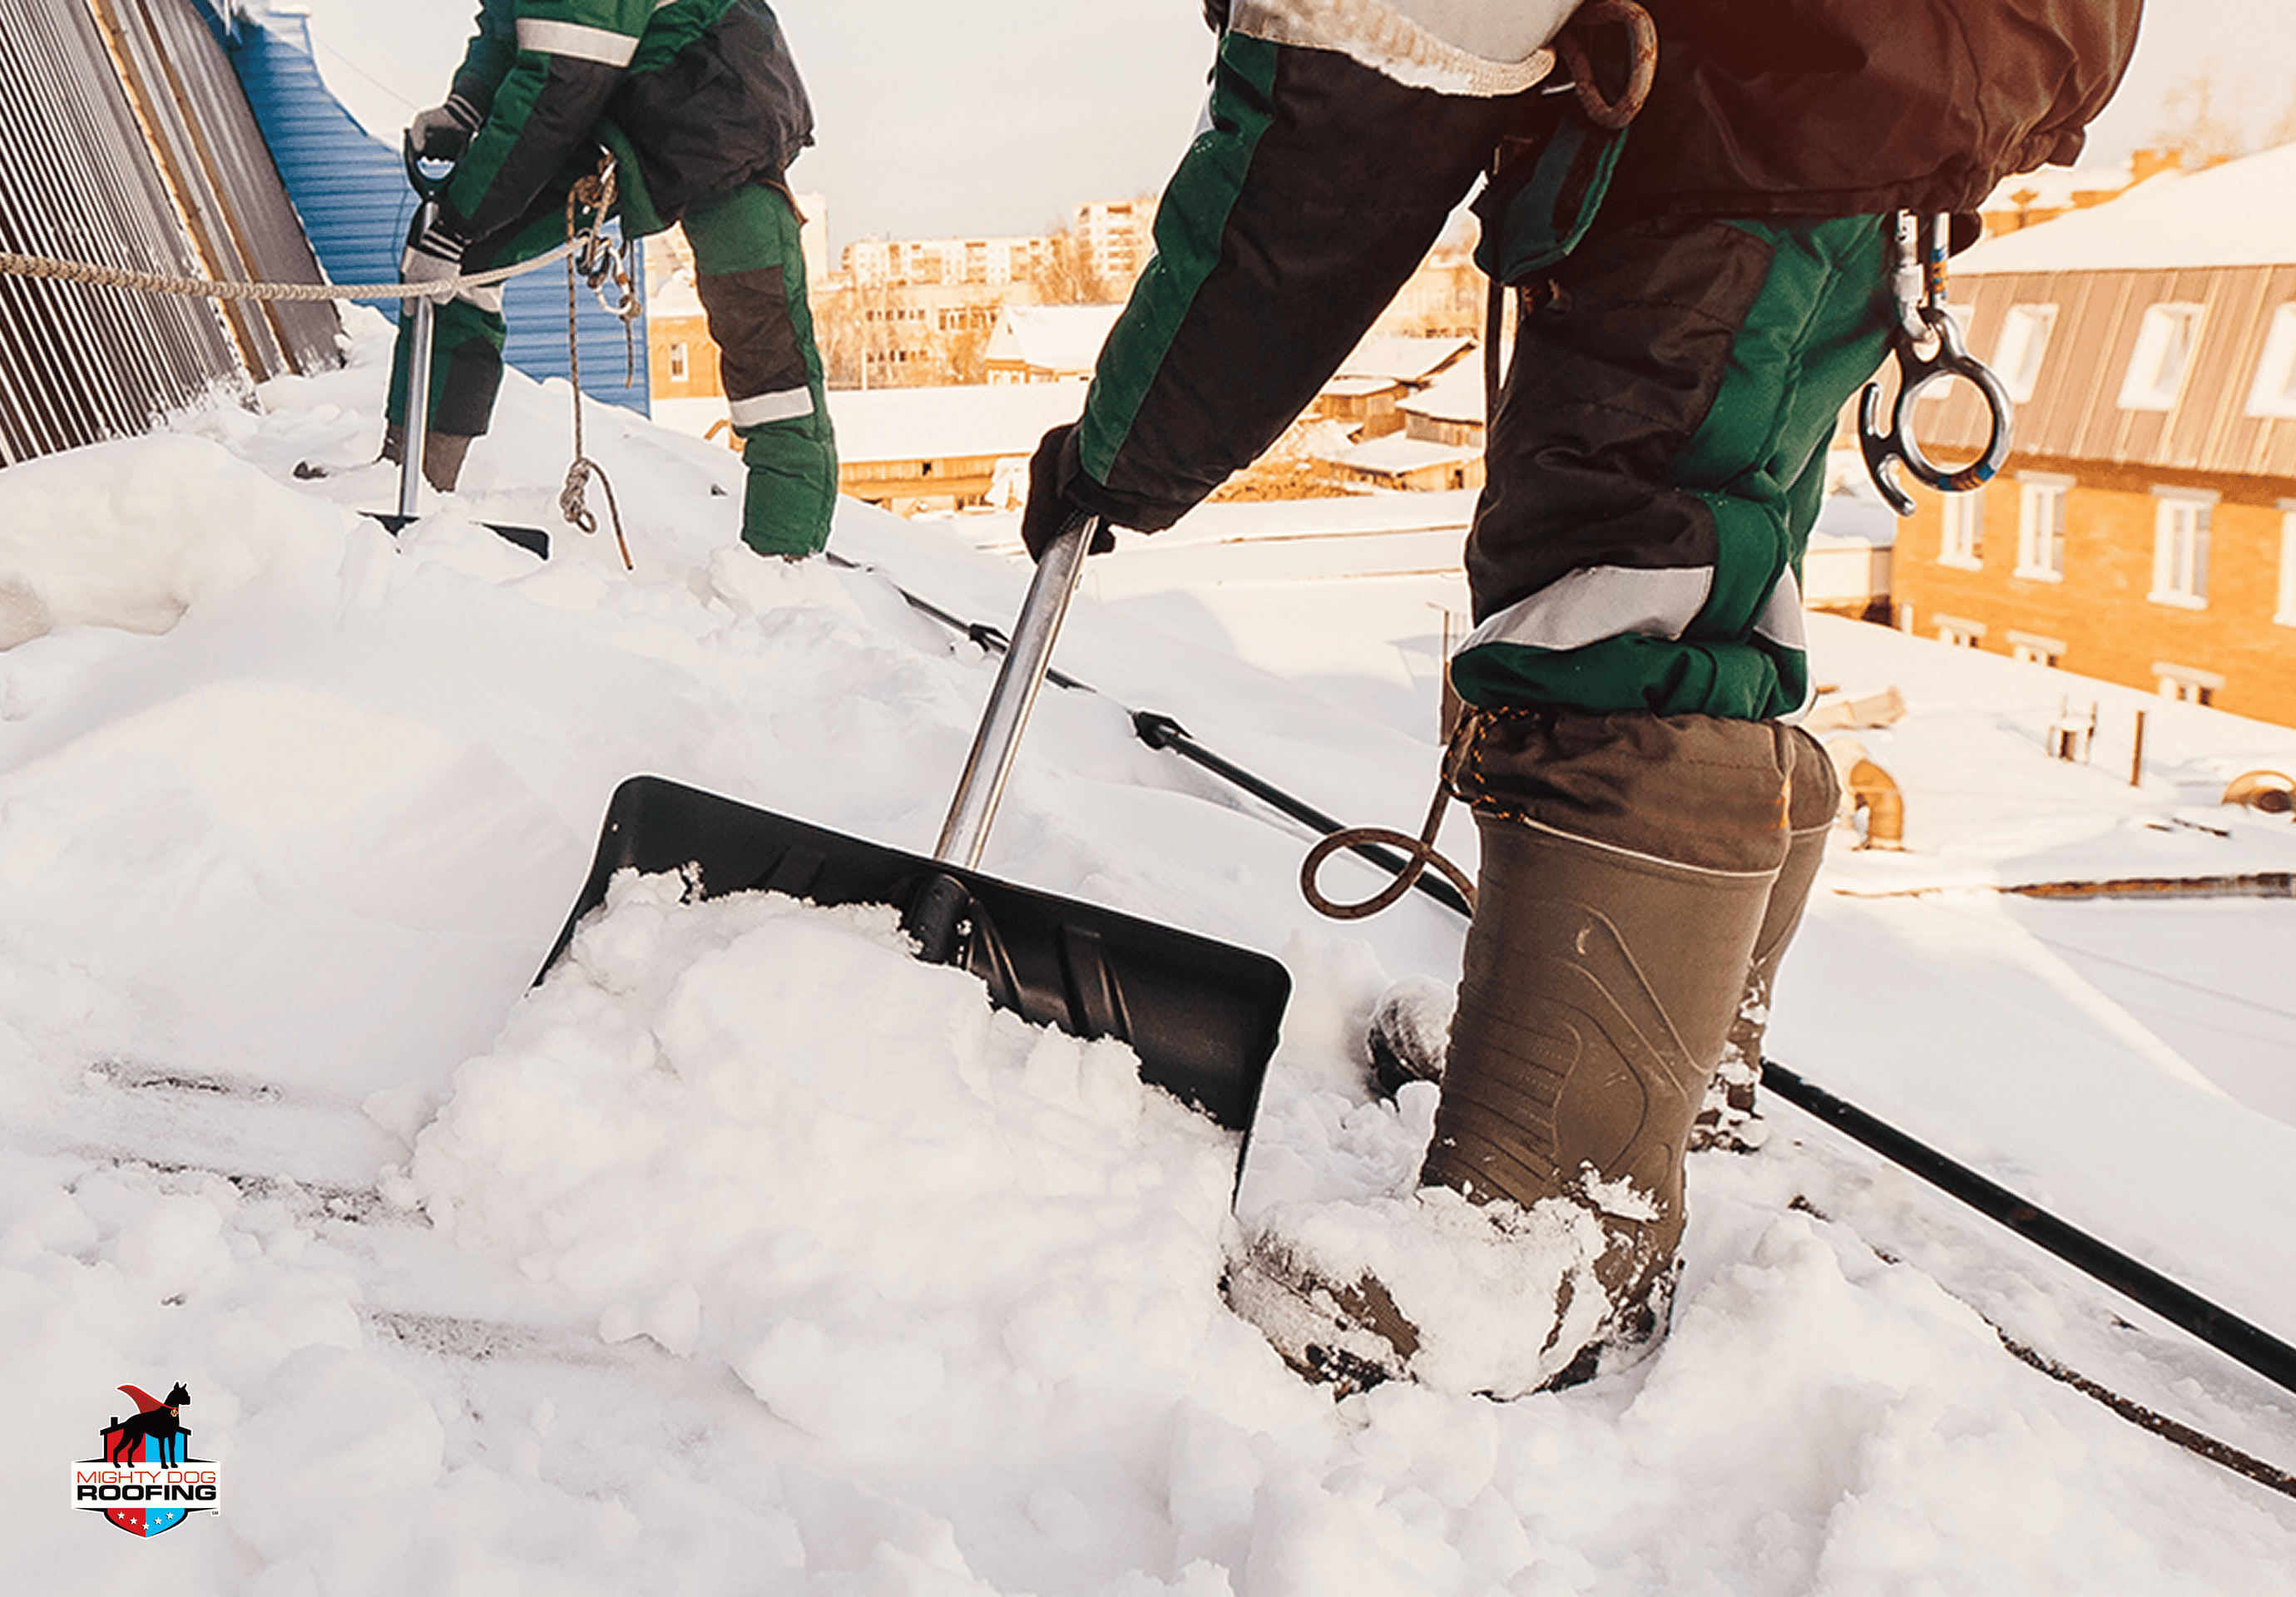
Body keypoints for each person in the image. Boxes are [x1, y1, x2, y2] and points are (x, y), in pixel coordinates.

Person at [1022, 0, 2141, 1395]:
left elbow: (1331, 135)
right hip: (1839, 88)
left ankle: (1553, 1230)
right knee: (1708, 577)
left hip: (1771, 117)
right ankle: (1659, 1081)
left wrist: (1129, 447)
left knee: (1613, 591)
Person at [387, 0, 835, 560]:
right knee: (465, 262)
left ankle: (784, 557)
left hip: (721, 119)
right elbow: (512, 23)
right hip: (619, 112)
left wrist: (458, 223)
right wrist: (464, 107)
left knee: (767, 354)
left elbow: (561, 83)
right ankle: (410, 482)